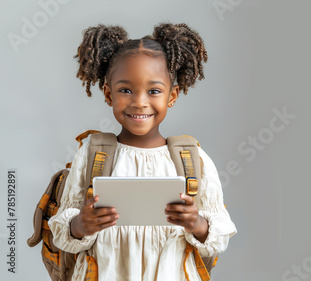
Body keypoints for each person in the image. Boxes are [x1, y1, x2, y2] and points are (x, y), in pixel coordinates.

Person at [48, 22, 237, 281]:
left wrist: (197, 223)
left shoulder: (192, 159)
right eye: (125, 90)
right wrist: (81, 224)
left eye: (154, 91)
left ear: (172, 95)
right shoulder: (92, 154)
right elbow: (62, 233)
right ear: (108, 94)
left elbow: (219, 235)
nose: (139, 101)